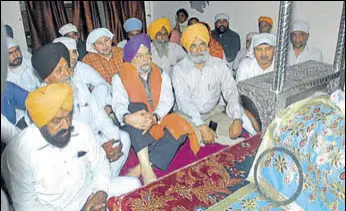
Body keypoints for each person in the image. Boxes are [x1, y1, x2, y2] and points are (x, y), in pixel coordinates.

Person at [1, 83, 141, 211]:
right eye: (57, 121)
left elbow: (100, 163)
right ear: (39, 122)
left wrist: (100, 192)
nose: (66, 125)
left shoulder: (81, 130)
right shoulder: (18, 154)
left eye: (68, 116)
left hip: (89, 192)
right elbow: (27, 207)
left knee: (134, 186)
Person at [31, 42, 131, 178]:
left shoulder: (79, 87)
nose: (66, 73)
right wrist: (99, 153)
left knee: (123, 137)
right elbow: (62, 151)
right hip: (73, 159)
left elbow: (101, 118)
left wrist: (114, 140)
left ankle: (106, 179)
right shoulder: (41, 104)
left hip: (95, 142)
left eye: (66, 67)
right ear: (47, 79)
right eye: (59, 71)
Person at [112, 33, 198, 185]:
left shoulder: (161, 73)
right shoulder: (119, 77)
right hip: (133, 125)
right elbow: (119, 104)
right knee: (137, 107)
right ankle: (146, 169)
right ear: (130, 59)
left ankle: (143, 165)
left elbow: (167, 100)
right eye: (139, 56)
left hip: (157, 119)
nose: (145, 59)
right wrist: (127, 117)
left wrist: (155, 117)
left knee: (181, 129)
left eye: (147, 55)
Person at [172, 23, 259, 147]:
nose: (199, 50)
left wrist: (237, 118)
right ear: (187, 48)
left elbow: (231, 90)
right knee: (186, 135)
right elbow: (184, 102)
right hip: (188, 116)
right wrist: (201, 126)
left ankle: (210, 133)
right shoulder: (179, 69)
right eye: (194, 46)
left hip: (213, 113)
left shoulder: (218, 65)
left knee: (234, 132)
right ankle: (204, 134)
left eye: (202, 44)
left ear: (207, 45)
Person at [53, 37, 113, 114]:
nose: (73, 57)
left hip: (91, 110)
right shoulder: (53, 73)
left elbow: (104, 85)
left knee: (102, 87)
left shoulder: (82, 67)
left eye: (74, 52)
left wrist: (108, 105)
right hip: (68, 114)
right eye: (68, 53)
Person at [6, 37, 41, 127]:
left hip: (40, 108)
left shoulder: (31, 64)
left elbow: (42, 86)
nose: (16, 55)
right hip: (19, 119)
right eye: (10, 53)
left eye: (17, 50)